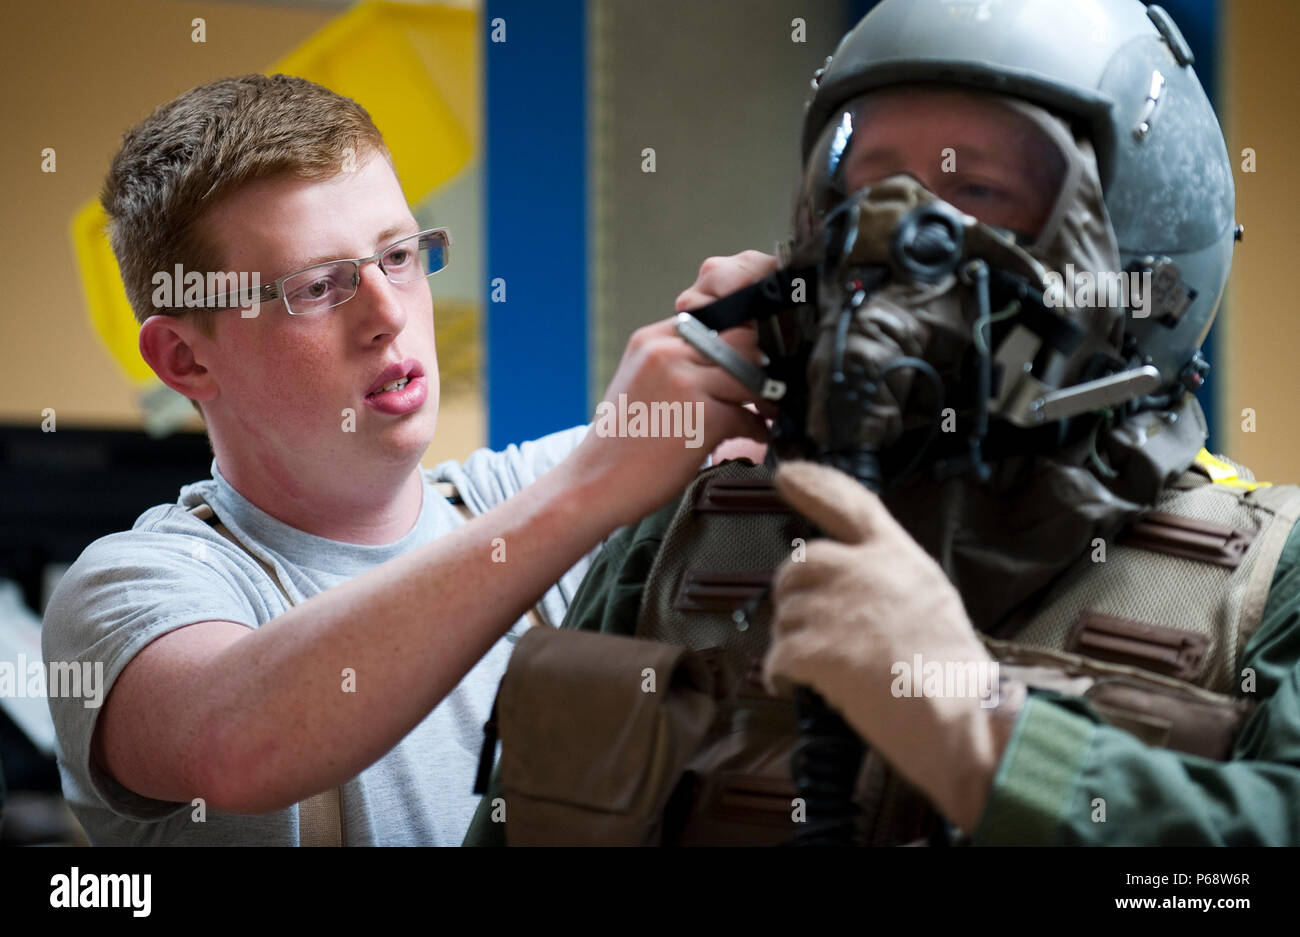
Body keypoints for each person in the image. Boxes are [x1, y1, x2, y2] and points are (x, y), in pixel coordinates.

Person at [487, 0, 1300, 846]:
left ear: (1140, 261)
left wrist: (986, 734)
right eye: (868, 191)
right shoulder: (680, 547)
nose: (897, 235)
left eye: (979, 190)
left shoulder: (1268, 583)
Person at [40, 73, 767, 845]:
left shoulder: (514, 496)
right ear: (185, 359)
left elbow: (758, 431)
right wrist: (598, 485)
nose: (387, 314)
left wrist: (788, 320)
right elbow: (238, 741)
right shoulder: (131, 590)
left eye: (399, 255)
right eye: (318, 287)